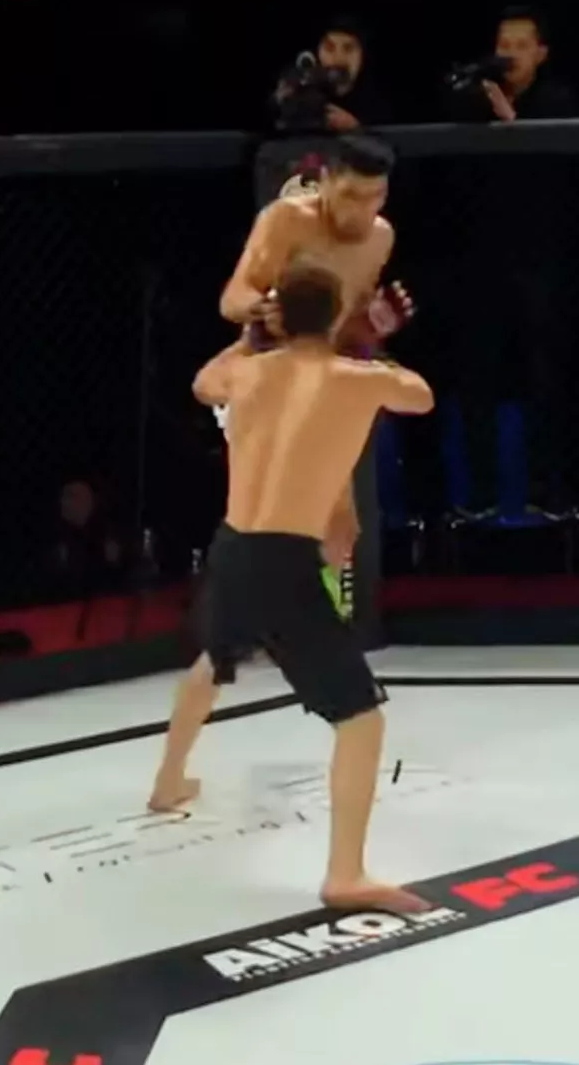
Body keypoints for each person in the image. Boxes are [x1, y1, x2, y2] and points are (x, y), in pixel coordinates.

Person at [155, 263, 435, 913]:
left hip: (232, 547)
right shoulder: (353, 377)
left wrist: (252, 338)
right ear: (335, 316)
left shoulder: (248, 372)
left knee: (215, 658)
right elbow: (420, 396)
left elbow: (202, 382)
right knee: (360, 718)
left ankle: (169, 781)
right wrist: (366, 342)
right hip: (281, 561)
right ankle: (346, 874)